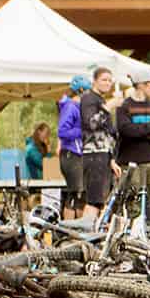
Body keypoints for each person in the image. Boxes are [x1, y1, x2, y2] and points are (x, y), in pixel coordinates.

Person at [113, 76, 150, 227]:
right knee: (133, 205)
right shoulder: (124, 107)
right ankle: (133, 238)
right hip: (131, 162)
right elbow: (125, 131)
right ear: (140, 85)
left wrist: (139, 131)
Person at [78, 67, 117, 213]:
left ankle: (97, 231)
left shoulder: (100, 99)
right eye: (104, 80)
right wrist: (108, 107)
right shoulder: (88, 98)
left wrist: (112, 158)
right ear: (95, 81)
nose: (108, 83)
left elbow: (109, 132)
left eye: (109, 80)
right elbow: (91, 124)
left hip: (104, 155)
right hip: (93, 154)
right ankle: (87, 231)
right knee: (94, 200)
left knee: (101, 201)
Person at [56, 75, 87, 218]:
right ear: (81, 91)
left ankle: (80, 230)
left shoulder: (79, 107)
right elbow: (62, 131)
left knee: (80, 196)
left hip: (78, 154)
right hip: (71, 154)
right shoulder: (70, 107)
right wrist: (83, 130)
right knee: (76, 194)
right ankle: (69, 230)